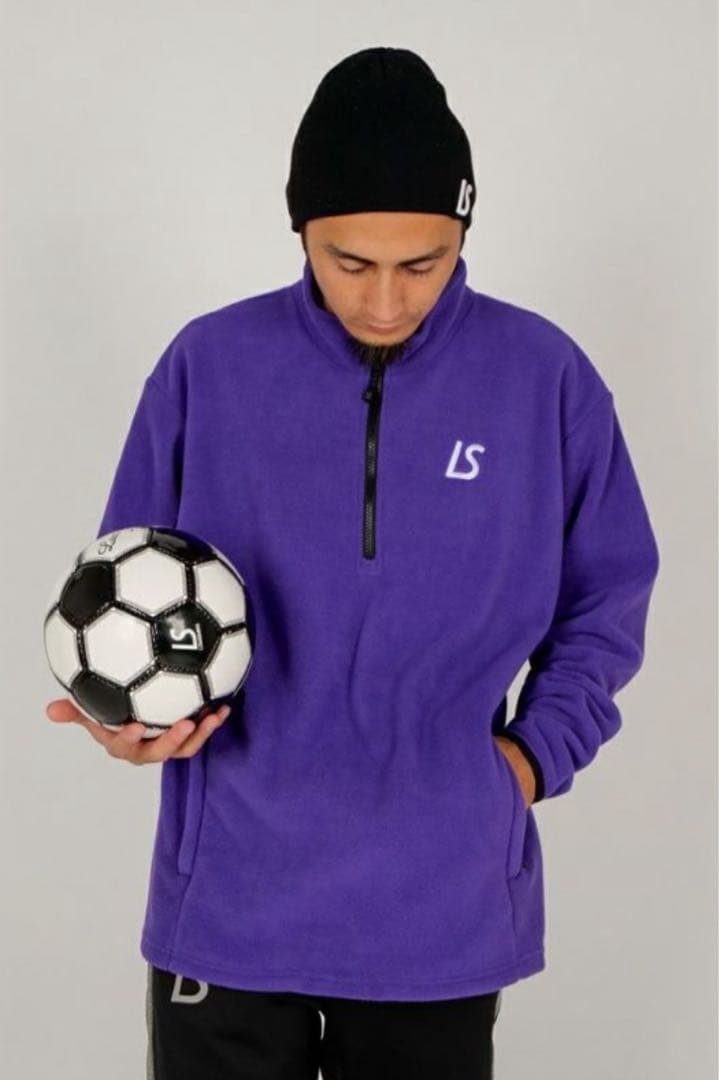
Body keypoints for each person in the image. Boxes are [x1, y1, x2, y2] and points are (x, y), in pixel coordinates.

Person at [46, 46, 661, 1079]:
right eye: (348, 262)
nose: (382, 303)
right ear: (299, 229)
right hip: (231, 900)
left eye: (421, 264)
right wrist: (134, 720)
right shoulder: (208, 365)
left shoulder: (543, 379)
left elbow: (607, 595)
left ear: (463, 231)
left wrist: (528, 759)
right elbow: (128, 578)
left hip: (442, 907)